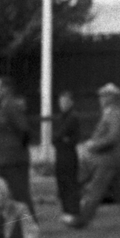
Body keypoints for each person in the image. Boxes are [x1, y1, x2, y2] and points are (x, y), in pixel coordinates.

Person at [66, 84, 120, 229]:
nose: (100, 99)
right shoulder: (111, 113)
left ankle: (81, 220)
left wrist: (94, 144)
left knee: (95, 191)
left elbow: (113, 137)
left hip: (107, 160)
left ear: (111, 98)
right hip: (113, 159)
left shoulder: (114, 114)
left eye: (103, 96)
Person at [0, 76, 34, 218]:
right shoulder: (3, 107)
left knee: (20, 195)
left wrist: (17, 150)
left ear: (5, 89)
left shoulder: (11, 106)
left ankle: (30, 224)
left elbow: (25, 130)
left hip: (14, 160)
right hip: (2, 159)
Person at [52, 89, 82, 220]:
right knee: (62, 183)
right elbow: (56, 137)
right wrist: (60, 138)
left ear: (71, 102)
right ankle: (66, 211)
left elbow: (61, 134)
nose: (62, 104)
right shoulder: (61, 117)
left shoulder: (72, 117)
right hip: (60, 153)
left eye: (65, 101)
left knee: (70, 183)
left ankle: (73, 211)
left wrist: (61, 138)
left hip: (68, 154)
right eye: (61, 101)